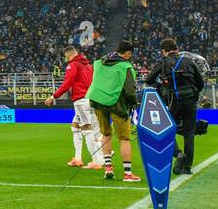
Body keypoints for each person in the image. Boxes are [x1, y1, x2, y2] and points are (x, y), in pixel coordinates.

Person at [145, 38, 207, 175]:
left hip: (174, 100)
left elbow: (148, 79)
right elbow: (200, 82)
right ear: (177, 48)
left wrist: (162, 84)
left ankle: (178, 154)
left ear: (164, 51)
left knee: (165, 129)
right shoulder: (189, 61)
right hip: (191, 101)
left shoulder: (163, 62)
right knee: (189, 134)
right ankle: (187, 167)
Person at [85, 41, 142, 182]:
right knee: (124, 138)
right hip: (118, 104)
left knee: (106, 134)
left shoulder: (99, 62)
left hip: (98, 101)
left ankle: (108, 169)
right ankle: (128, 174)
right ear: (128, 53)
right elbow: (129, 91)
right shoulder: (126, 67)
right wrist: (134, 103)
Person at [46, 45, 102, 169]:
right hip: (91, 100)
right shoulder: (89, 66)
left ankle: (97, 161)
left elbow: (67, 84)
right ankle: (78, 158)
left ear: (68, 55)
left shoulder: (73, 65)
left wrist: (53, 97)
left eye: (66, 57)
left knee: (87, 130)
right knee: (75, 127)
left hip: (81, 101)